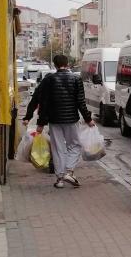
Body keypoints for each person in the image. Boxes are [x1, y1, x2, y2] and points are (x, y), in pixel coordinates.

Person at [36, 55, 95, 188]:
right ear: (67, 64)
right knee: (75, 145)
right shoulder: (76, 79)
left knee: (57, 148)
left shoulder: (49, 79)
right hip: (71, 119)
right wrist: (88, 119)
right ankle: (69, 171)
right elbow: (81, 102)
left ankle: (60, 180)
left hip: (54, 120)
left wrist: (40, 123)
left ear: (55, 65)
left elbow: (44, 103)